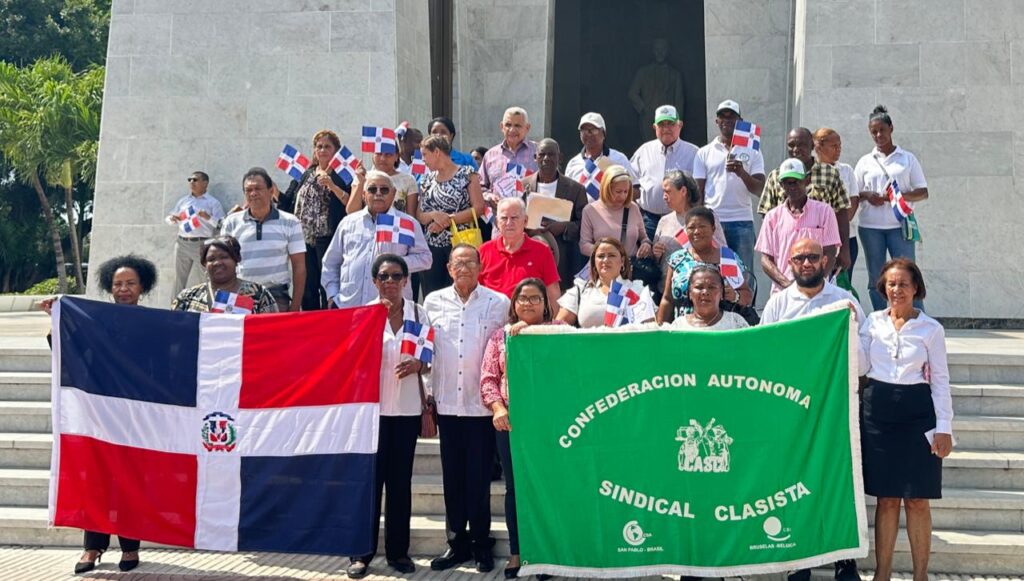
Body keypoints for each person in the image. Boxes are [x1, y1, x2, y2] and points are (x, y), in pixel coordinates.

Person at [41, 255, 158, 574]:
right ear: (110, 286)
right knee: (96, 481)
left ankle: (131, 548)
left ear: (142, 287)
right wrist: (57, 320)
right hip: (99, 413)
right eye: (118, 284)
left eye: (130, 283)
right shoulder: (96, 319)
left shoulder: (155, 322)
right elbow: (68, 349)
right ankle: (92, 548)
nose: (123, 289)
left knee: (130, 481)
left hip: (136, 414)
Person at [758, 238, 865, 581]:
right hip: (790, 413)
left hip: (833, 410)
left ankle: (844, 559)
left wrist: (846, 328)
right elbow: (762, 358)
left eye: (812, 257)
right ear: (789, 263)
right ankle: (799, 557)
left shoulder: (845, 301)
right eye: (800, 257)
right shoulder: (777, 305)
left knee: (837, 482)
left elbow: (863, 364)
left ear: (825, 261)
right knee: (794, 482)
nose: (806, 263)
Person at [860, 258, 952, 581]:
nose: (897, 290)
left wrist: (945, 428)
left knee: (917, 500)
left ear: (916, 288)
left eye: (903, 284)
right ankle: (882, 574)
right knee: (886, 500)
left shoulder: (931, 329)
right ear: (883, 288)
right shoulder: (870, 322)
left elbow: (940, 380)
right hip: (879, 413)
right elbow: (858, 366)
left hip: (917, 413)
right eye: (891, 284)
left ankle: (920, 575)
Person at [424, 244, 509, 573]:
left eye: (470, 262)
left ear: (480, 266)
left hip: (482, 407)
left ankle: (481, 544)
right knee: (452, 479)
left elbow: (504, 347)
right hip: (447, 404)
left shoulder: (497, 303)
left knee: (478, 479)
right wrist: (427, 395)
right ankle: (456, 543)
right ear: (448, 268)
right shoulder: (433, 302)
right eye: (457, 263)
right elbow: (427, 350)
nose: (464, 268)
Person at [346, 254, 430, 579]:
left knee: (400, 484)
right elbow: (350, 362)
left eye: (397, 276)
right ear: (375, 281)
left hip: (406, 410)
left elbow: (431, 358)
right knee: (369, 485)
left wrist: (419, 366)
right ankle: (361, 553)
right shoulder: (364, 316)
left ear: (407, 281)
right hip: (371, 414)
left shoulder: (419, 314)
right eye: (384, 276)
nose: (390, 282)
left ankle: (398, 553)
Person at [480, 278, 562, 579]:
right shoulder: (499, 338)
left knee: (547, 488)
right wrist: (498, 407)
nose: (528, 303)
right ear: (513, 304)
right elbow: (489, 378)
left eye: (535, 298)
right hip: (511, 424)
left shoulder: (559, 334)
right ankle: (519, 552)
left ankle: (547, 554)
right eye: (522, 298)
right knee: (515, 489)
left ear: (545, 304)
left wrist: (530, 331)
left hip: (550, 425)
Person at [854, 105, 929, 310]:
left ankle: (916, 317)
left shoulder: (907, 159)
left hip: (899, 225)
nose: (878, 135)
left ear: (891, 129)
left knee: (908, 274)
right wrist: (867, 195)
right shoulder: (865, 162)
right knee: (876, 277)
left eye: (882, 130)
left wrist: (895, 197)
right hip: (871, 228)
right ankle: (882, 317)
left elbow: (923, 191)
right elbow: (855, 194)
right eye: (874, 132)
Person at [322, 170, 430, 308]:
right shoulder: (348, 223)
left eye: (384, 190)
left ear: (393, 193)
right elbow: (331, 263)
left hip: (390, 309)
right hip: (349, 306)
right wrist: (332, 297)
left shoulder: (407, 223)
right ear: (364, 195)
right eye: (372, 189)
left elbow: (425, 258)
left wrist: (395, 263)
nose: (378, 193)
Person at [277, 130, 352, 310]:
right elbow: (288, 202)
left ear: (336, 150)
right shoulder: (306, 173)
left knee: (327, 283)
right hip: (303, 239)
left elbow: (352, 204)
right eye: (319, 146)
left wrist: (332, 185)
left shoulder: (343, 175)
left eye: (327, 146)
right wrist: (273, 192)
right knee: (307, 286)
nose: (323, 150)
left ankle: (330, 323)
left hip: (328, 237)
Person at [758, 127, 851, 272]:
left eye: (801, 144)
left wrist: (845, 249)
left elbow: (842, 212)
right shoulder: (776, 176)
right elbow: (767, 216)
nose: (796, 149)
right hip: (787, 253)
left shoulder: (830, 173)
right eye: (791, 145)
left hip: (821, 250)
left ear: (812, 146)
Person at [693, 99, 766, 272]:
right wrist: (699, 221)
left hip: (742, 221)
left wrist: (742, 173)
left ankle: (745, 301)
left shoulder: (753, 150)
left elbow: (760, 189)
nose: (726, 120)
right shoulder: (704, 152)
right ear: (716, 121)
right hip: (713, 220)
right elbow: (699, 191)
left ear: (740, 121)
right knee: (712, 271)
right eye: (722, 117)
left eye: (731, 117)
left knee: (744, 273)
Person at [220, 167, 306, 312]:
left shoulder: (291, 222)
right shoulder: (231, 222)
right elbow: (223, 262)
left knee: (276, 335)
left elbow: (299, 267)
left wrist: (295, 307)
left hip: (276, 297)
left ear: (271, 190)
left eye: (258, 188)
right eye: (248, 190)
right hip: (239, 297)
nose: (253, 193)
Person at [755, 159, 840, 294]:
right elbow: (766, 260)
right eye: (788, 183)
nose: (792, 186)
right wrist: (787, 284)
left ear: (807, 180)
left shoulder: (824, 211)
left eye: (797, 181)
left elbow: (830, 252)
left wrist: (814, 283)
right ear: (781, 185)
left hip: (818, 291)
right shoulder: (772, 217)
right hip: (782, 293)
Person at [417, 135, 486, 297]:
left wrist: (447, 221)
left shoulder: (467, 174)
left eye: (425, 155)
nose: (423, 160)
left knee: (462, 291)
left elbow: (479, 208)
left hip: (460, 244)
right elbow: (419, 214)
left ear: (437, 152)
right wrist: (434, 215)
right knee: (432, 293)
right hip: (432, 247)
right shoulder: (426, 179)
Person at [657, 207, 753, 324]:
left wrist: (735, 296)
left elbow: (746, 295)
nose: (697, 231)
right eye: (691, 228)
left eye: (702, 226)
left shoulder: (726, 258)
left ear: (713, 229)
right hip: (684, 331)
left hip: (722, 329)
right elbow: (667, 299)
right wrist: (660, 332)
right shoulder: (678, 259)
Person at [522, 138, 590, 289]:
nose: (546, 159)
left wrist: (564, 227)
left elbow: (584, 225)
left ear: (560, 158)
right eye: (542, 155)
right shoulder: (522, 185)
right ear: (535, 158)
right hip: (529, 256)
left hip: (563, 259)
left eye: (551, 155)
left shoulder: (575, 189)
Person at [629, 104, 699, 240]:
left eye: (671, 124)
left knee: (677, 258)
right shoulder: (643, 151)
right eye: (661, 125)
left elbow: (699, 188)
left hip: (681, 220)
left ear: (680, 125)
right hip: (648, 220)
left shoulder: (694, 153)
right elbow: (630, 184)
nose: (666, 129)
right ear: (654, 127)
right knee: (646, 258)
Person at [557, 237, 657, 328]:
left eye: (611, 255)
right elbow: (559, 328)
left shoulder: (638, 290)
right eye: (600, 256)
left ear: (622, 261)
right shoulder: (579, 291)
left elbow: (651, 329)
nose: (605, 260)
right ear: (594, 262)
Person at [478, 197, 561, 306]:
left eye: (514, 218)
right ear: (497, 222)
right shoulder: (484, 251)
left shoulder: (542, 251)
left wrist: (551, 322)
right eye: (504, 218)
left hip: (529, 319)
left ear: (525, 221)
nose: (509, 223)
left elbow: (553, 295)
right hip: (491, 317)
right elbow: (475, 292)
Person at [170, 235, 277, 314]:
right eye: (211, 259)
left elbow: (272, 332)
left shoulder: (259, 294)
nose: (217, 263)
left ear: (236, 259)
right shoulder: (187, 297)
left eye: (224, 257)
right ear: (204, 264)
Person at [652, 169, 727, 273]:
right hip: (668, 284)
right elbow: (656, 260)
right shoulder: (664, 221)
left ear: (683, 191)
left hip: (702, 282)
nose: (664, 197)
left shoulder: (706, 217)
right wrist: (656, 254)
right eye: (663, 191)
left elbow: (723, 252)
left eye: (668, 191)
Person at [166, 170, 226, 295]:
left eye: (195, 180)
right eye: (190, 180)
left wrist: (208, 217)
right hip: (182, 242)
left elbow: (222, 224)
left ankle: (203, 308)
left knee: (204, 278)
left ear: (205, 183)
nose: (191, 182)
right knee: (178, 279)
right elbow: (169, 217)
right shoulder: (183, 201)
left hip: (202, 244)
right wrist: (172, 219)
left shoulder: (212, 203)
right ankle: (175, 309)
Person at [580, 165, 652, 261]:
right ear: (607, 189)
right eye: (618, 192)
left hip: (630, 269)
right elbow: (584, 245)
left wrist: (646, 244)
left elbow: (644, 238)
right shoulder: (590, 210)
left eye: (626, 191)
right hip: (604, 268)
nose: (622, 196)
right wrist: (606, 253)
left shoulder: (633, 208)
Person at [628, 38, 684, 142]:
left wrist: (678, 121)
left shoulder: (675, 75)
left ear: (668, 51)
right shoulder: (643, 72)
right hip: (648, 118)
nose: (660, 53)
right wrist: (643, 109)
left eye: (663, 49)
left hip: (669, 119)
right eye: (657, 49)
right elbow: (632, 93)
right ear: (653, 51)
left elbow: (679, 100)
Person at [344, 146, 419, 218]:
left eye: (388, 154)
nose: (383, 158)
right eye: (379, 154)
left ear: (396, 156)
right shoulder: (362, 177)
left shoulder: (408, 180)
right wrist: (360, 183)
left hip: (396, 228)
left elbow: (411, 216)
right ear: (373, 155)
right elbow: (351, 212)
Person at [564, 112, 638, 184]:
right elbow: (567, 193)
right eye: (584, 130)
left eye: (593, 130)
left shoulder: (619, 159)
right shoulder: (573, 164)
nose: (589, 134)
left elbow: (635, 189)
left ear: (603, 133)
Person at [478, 107, 538, 193]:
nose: (512, 130)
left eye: (517, 126)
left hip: (530, 205)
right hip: (498, 206)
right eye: (508, 125)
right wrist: (489, 196)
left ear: (527, 128)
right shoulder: (490, 155)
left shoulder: (539, 153)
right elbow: (480, 186)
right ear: (502, 127)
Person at [669, 265, 749, 330]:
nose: (705, 292)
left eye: (711, 287)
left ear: (721, 293)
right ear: (690, 293)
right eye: (699, 287)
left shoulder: (735, 322)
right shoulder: (679, 326)